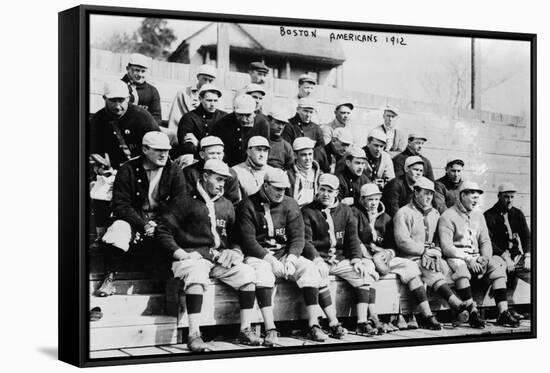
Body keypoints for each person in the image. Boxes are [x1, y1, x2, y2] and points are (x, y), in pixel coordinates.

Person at [156, 159, 262, 351]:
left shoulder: (227, 205)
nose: (222, 184)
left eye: (225, 181)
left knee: (247, 274)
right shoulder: (184, 200)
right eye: (218, 179)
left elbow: (236, 237)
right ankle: (194, 334)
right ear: (205, 176)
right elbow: (162, 231)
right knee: (196, 273)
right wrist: (179, 253)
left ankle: (245, 330)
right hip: (191, 258)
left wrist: (235, 251)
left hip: (217, 259)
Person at [236, 168, 334, 342]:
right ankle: (270, 328)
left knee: (310, 269)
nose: (281, 193)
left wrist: (291, 258)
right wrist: (271, 261)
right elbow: (248, 241)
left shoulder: (290, 203)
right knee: (263, 273)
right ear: (265, 186)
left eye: (284, 189)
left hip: (283, 254)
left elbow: (298, 237)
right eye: (277, 189)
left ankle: (314, 324)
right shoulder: (248, 204)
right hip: (259, 256)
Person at [95, 131, 186, 297]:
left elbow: (178, 205)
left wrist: (158, 223)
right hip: (134, 219)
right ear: (145, 149)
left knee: (178, 235)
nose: (164, 154)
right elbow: (121, 205)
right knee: (118, 229)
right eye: (158, 150)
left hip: (163, 220)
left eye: (166, 150)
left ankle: (167, 283)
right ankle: (109, 277)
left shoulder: (174, 171)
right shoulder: (128, 169)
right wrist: (143, 224)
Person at [353, 183, 443, 331]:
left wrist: (388, 253)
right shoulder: (355, 213)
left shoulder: (386, 217)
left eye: (376, 199)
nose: (374, 203)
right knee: (368, 271)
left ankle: (427, 314)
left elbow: (393, 245)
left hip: (383, 257)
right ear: (362, 200)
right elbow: (353, 239)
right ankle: (373, 317)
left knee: (410, 266)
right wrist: (367, 253)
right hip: (364, 257)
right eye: (370, 200)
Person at [302, 174, 376, 336]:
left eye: (330, 190)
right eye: (322, 189)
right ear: (317, 190)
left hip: (340, 258)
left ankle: (362, 322)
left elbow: (352, 238)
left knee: (362, 274)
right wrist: (316, 259)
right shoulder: (308, 211)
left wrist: (357, 259)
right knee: (318, 277)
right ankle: (333, 323)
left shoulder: (346, 211)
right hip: (320, 259)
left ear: (336, 193)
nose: (325, 194)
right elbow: (306, 241)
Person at [439, 181, 520, 328]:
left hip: (477, 257)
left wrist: (485, 258)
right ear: (463, 195)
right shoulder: (448, 215)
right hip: (458, 256)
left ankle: (503, 312)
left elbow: (485, 241)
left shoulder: (478, 215)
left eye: (477, 198)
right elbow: (447, 247)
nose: (476, 201)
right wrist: (470, 260)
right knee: (460, 267)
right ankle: (472, 312)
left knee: (497, 264)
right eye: (473, 197)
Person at [394, 177, 469, 327]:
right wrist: (424, 251)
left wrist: (435, 251)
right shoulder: (403, 212)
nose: (429, 197)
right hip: (409, 256)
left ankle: (453, 311)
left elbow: (438, 238)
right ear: (416, 192)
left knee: (441, 265)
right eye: (425, 193)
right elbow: (402, 241)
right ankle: (451, 304)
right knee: (425, 265)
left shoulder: (434, 213)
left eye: (431, 194)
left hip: (429, 256)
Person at [89, 80, 160, 170]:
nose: (117, 106)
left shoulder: (142, 117)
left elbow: (158, 144)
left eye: (121, 100)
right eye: (113, 101)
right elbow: (93, 151)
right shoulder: (96, 121)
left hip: (142, 167)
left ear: (128, 98)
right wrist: (98, 167)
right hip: (111, 170)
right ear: (104, 98)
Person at [484, 182, 531, 276]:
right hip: (498, 256)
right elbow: (488, 241)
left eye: (512, 197)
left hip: (516, 255)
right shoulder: (489, 215)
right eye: (506, 197)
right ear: (499, 196)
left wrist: (528, 255)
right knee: (501, 276)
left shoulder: (518, 214)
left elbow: (526, 237)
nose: (509, 200)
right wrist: (505, 257)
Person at [210, 94, 269, 167]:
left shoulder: (262, 124)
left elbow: (265, 150)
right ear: (234, 111)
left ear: (254, 112)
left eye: (248, 115)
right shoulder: (222, 124)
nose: (244, 119)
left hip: (253, 165)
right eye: (240, 115)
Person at [182, 136, 241, 204]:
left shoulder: (231, 174)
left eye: (219, 153)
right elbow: (186, 200)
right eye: (211, 153)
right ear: (202, 155)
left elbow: (234, 202)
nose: (215, 157)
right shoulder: (189, 172)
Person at [175, 84, 226, 161]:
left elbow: (229, 143)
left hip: (220, 157)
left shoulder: (224, 117)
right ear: (200, 99)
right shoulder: (189, 118)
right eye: (209, 100)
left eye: (215, 101)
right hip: (197, 158)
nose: (212, 104)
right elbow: (187, 147)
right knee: (188, 159)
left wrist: (199, 144)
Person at [167, 64, 217, 143]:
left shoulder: (216, 97)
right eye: (204, 79)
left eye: (210, 81)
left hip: (208, 137)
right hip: (186, 133)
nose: (207, 83)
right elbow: (174, 119)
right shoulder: (184, 93)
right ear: (198, 78)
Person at [282, 97, 328, 172]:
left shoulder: (316, 128)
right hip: (294, 166)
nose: (308, 115)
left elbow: (321, 150)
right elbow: (287, 150)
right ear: (298, 110)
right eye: (305, 111)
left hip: (311, 165)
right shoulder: (289, 126)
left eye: (311, 112)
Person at [121, 53, 162, 125]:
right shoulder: (119, 86)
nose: (140, 75)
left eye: (143, 71)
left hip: (145, 128)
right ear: (128, 69)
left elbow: (156, 116)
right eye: (137, 70)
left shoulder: (152, 91)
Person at [287, 137, 322, 207]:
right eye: (303, 155)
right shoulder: (288, 175)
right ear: (295, 155)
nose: (308, 159)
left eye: (310, 154)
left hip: (314, 212)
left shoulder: (320, 175)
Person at [266, 106, 295, 170]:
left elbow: (289, 167)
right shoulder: (261, 141)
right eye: (278, 123)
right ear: (269, 120)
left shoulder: (286, 146)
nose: (281, 127)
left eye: (283, 124)